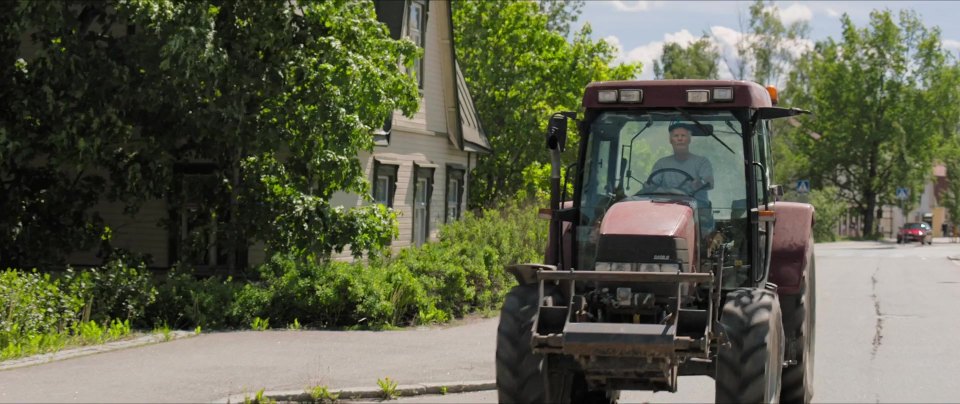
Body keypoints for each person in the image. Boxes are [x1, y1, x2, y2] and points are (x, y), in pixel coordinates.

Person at [649, 123, 714, 200]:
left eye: (683, 135)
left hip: (697, 207)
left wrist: (700, 184)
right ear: (670, 140)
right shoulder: (661, 163)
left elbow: (710, 183)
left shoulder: (702, 162)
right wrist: (648, 186)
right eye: (676, 136)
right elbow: (652, 185)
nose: (680, 139)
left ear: (689, 139)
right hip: (667, 206)